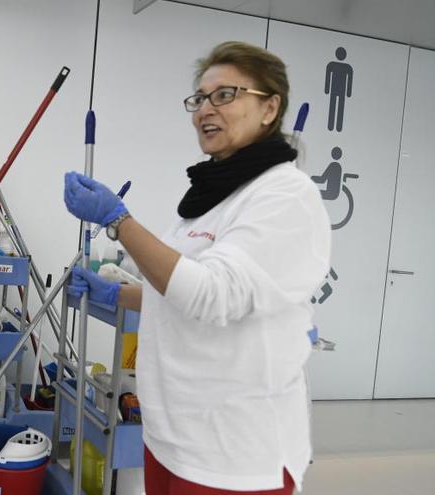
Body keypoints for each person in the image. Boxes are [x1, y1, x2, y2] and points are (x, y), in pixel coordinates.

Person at [64, 41, 331, 494]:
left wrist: (119, 222)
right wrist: (114, 294)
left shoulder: (286, 195)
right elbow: (180, 291)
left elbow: (211, 295)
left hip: (234, 450)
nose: (205, 109)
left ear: (270, 107)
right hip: (173, 434)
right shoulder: (206, 200)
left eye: (225, 95)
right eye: (199, 98)